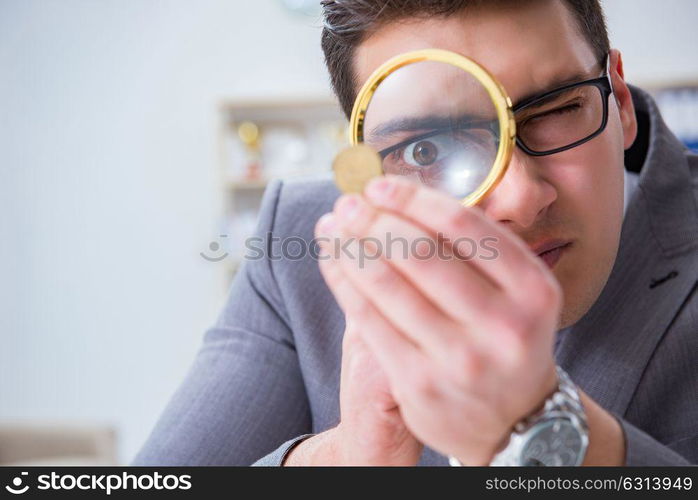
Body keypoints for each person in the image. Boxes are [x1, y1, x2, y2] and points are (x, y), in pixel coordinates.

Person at [133, 0, 698, 466]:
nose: (521, 200)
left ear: (619, 100)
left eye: (554, 110)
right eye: (425, 149)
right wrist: (349, 455)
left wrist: (550, 432)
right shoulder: (299, 242)